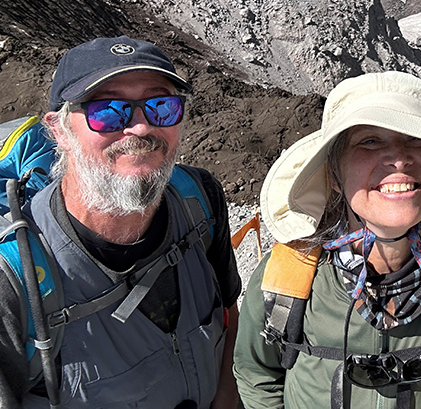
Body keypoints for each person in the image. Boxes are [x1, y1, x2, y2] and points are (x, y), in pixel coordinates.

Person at [233, 71, 421, 408]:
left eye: (416, 138)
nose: (399, 158)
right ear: (334, 176)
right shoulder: (284, 281)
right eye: (369, 140)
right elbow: (256, 375)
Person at [0, 36, 241, 408]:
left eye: (161, 105)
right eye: (108, 111)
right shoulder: (12, 279)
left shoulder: (199, 198)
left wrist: (226, 395)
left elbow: (226, 310)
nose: (141, 128)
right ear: (59, 131)